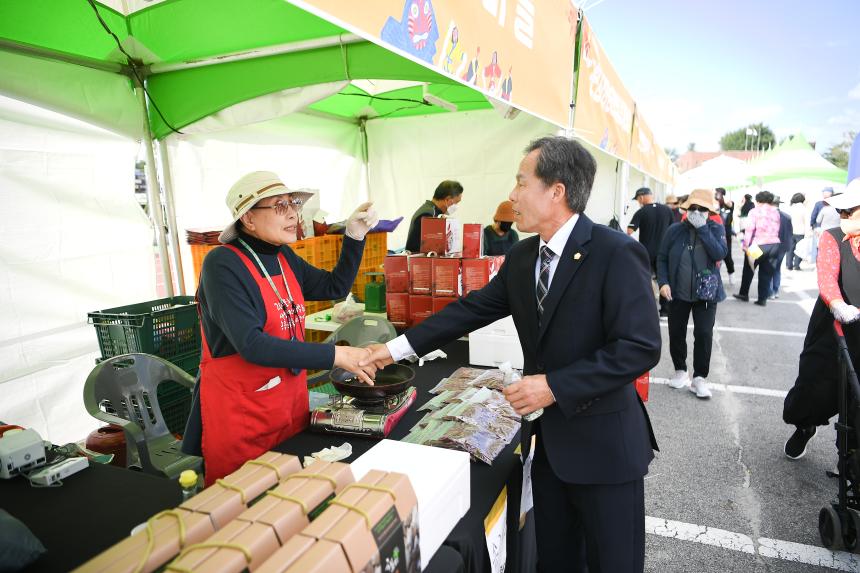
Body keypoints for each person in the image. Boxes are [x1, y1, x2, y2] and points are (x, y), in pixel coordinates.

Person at [363, 136, 660, 572]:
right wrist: (391, 350)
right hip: (548, 451)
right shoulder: (523, 257)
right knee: (555, 561)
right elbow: (470, 310)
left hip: (605, 452)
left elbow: (640, 347)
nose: (511, 195)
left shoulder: (615, 253)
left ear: (555, 191)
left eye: (521, 182)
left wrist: (554, 386)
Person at [187, 171, 379, 484]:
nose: (292, 213)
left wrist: (355, 235)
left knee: (290, 497)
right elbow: (252, 344)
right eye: (279, 206)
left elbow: (335, 285)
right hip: (243, 413)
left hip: (287, 405)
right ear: (248, 219)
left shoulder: (284, 256)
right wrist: (336, 355)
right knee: (247, 505)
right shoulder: (222, 265)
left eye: (292, 204)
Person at [783, 178, 860, 459]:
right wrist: (838, 304)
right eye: (842, 211)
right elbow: (827, 276)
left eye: (850, 211)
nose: (843, 216)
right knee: (814, 385)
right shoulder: (832, 236)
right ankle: (804, 427)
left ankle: (851, 461)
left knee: (857, 398)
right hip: (832, 325)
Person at [657, 189, 728, 399]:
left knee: (704, 334)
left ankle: (699, 378)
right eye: (693, 208)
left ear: (708, 212)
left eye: (702, 209)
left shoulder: (715, 228)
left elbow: (719, 253)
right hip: (677, 292)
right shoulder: (674, 230)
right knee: (676, 332)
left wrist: (704, 229)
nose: (697, 212)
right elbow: (661, 258)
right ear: (686, 209)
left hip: (706, 293)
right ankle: (680, 370)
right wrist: (663, 282)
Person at [627, 187, 675, 316]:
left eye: (637, 199)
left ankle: (648, 309)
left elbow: (629, 232)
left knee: (645, 280)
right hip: (664, 253)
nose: (638, 202)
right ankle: (665, 311)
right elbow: (673, 230)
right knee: (663, 280)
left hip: (646, 253)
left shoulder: (641, 212)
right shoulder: (667, 210)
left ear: (642, 197)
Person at [734, 191, 782, 306]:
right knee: (766, 273)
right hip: (774, 245)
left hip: (758, 245)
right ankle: (762, 299)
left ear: (758, 200)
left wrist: (745, 245)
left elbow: (749, 229)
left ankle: (744, 294)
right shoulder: (776, 212)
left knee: (749, 268)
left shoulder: (755, 211)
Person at [404, 180, 464, 252]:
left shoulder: (431, 211)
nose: (456, 206)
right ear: (447, 199)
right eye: (456, 202)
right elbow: (433, 248)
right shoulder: (429, 214)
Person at [770, 196, 794, 299]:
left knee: (769, 269)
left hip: (771, 245)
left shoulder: (769, 216)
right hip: (783, 246)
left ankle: (770, 291)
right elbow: (790, 233)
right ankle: (775, 290)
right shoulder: (787, 216)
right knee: (777, 269)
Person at [714, 187, 735, 281]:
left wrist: (723, 198)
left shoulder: (728, 205)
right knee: (715, 254)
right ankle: (715, 275)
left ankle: (731, 273)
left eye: (718, 193)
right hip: (715, 232)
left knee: (727, 255)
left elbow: (730, 204)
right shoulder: (714, 204)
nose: (716, 195)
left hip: (726, 233)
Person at [810, 187, 835, 264]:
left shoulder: (819, 204)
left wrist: (812, 226)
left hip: (820, 229)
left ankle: (816, 261)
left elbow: (814, 216)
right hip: (834, 230)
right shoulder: (835, 204)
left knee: (818, 246)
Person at [788, 193, 809, 270]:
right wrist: (807, 233)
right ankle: (796, 265)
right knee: (800, 249)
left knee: (790, 249)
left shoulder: (791, 208)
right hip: (801, 232)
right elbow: (807, 222)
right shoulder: (804, 209)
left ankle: (788, 264)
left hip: (791, 231)